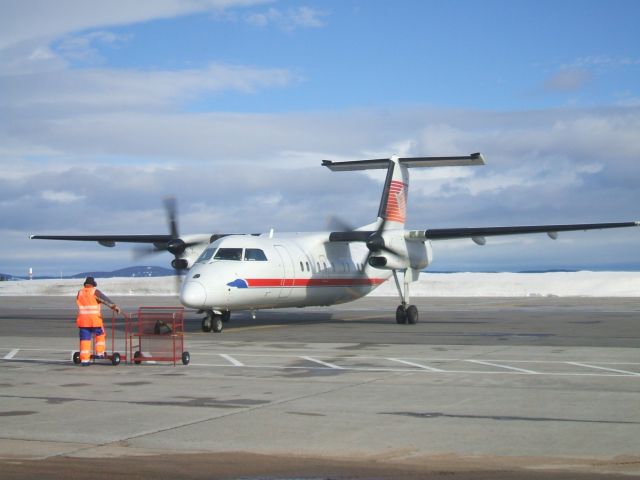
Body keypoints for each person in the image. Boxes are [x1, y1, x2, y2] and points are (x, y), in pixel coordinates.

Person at [76, 276, 121, 366]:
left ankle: (85, 360)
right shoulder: (95, 291)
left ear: (85, 284)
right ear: (93, 284)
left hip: (83, 321)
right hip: (94, 320)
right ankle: (100, 353)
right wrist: (115, 307)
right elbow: (105, 300)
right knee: (100, 335)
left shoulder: (80, 292)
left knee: (85, 340)